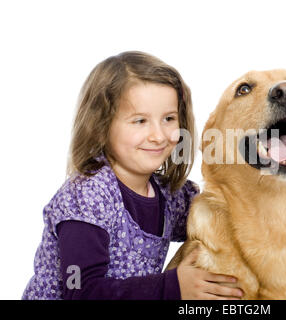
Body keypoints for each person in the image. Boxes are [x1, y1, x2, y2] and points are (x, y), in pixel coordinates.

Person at [22, 51, 243, 300]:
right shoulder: (86, 198)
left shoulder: (171, 196)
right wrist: (172, 287)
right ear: (101, 126)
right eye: (140, 121)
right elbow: (79, 291)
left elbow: (220, 214)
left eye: (169, 118)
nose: (158, 135)